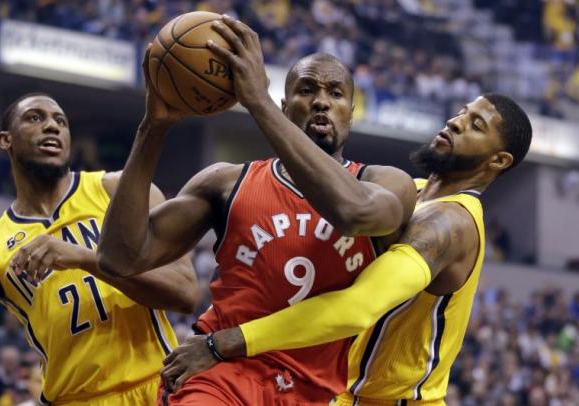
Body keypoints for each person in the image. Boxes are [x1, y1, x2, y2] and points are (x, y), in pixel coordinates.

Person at [97, 16, 417, 406]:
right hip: (219, 372)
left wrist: (258, 102)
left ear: (350, 112)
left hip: (318, 391)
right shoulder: (226, 182)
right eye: (306, 90)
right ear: (286, 106)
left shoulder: (388, 184)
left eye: (335, 93)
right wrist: (153, 126)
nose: (321, 101)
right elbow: (118, 257)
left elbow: (353, 213)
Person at [166, 90, 533, 405]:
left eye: (476, 126)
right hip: (339, 394)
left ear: (498, 161)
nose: (456, 122)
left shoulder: (451, 224)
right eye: (462, 113)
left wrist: (223, 343)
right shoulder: (407, 193)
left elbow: (356, 308)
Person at [0, 93, 199, 405]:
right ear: (5, 140)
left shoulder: (117, 190)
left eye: (60, 121)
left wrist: (84, 258)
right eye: (35, 118)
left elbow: (185, 293)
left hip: (155, 386)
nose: (52, 126)